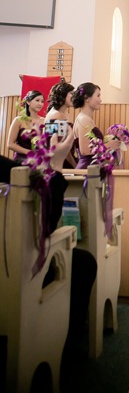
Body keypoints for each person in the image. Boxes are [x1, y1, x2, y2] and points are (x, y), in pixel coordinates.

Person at [0, 126, 97, 371]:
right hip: (11, 271)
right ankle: (65, 347)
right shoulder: (11, 170)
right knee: (83, 262)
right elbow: (46, 225)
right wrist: (56, 165)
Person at [71, 82, 120, 169]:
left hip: (93, 167)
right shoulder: (84, 119)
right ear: (87, 98)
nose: (100, 100)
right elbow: (85, 150)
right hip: (87, 168)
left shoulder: (87, 119)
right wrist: (108, 145)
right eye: (98, 96)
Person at [45, 81, 76, 168]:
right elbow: (59, 146)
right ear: (62, 94)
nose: (74, 96)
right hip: (59, 162)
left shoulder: (61, 114)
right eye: (71, 93)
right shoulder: (56, 115)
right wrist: (74, 165)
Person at [7, 89, 45, 160]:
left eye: (42, 101)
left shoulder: (44, 121)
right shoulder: (18, 120)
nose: (40, 104)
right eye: (37, 100)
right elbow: (10, 144)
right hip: (21, 159)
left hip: (39, 160)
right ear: (28, 102)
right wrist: (28, 152)